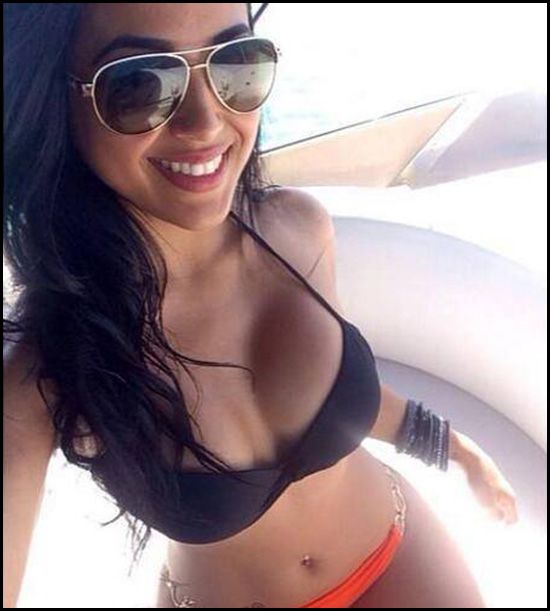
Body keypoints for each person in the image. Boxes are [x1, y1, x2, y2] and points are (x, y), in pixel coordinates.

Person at [3, 3, 519, 608]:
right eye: (139, 83)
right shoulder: (50, 365)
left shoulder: (297, 229)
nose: (207, 121)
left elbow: (329, 395)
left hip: (397, 546)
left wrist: (453, 449)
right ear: (55, 101)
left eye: (235, 62)